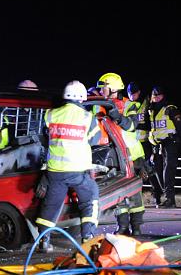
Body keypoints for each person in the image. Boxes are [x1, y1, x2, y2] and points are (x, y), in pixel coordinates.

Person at [36, 80, 102, 252]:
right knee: (90, 198)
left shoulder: (51, 114)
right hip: (77, 171)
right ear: (82, 98)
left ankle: (44, 241)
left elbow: (44, 137)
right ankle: (87, 237)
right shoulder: (88, 118)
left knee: (51, 205)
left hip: (55, 171)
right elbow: (95, 140)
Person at [115, 82, 148, 236]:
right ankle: (122, 226)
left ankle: (136, 227)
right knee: (118, 192)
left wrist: (117, 116)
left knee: (134, 192)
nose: (102, 90)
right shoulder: (101, 104)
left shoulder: (129, 105)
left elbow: (131, 125)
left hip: (133, 155)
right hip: (116, 156)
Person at [148, 85, 181, 208]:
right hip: (158, 145)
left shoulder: (170, 108)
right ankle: (165, 197)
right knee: (158, 171)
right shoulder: (151, 110)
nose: (156, 98)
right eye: (154, 96)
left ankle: (170, 200)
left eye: (158, 95)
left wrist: (176, 139)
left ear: (163, 96)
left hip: (170, 143)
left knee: (168, 171)